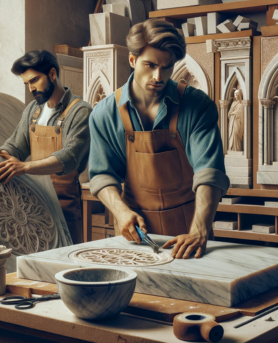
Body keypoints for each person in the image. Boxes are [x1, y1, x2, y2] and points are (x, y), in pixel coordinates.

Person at [88, 19, 230, 259]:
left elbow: (209, 171)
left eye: (167, 67)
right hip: (133, 233)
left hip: (189, 233)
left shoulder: (197, 106)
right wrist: (120, 212)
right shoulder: (104, 113)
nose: (158, 76)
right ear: (133, 61)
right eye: (150, 65)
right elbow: (102, 174)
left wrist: (200, 228)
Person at [0, 50, 92, 245]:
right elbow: (16, 145)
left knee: (67, 261)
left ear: (52, 74)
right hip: (34, 202)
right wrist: (0, 153)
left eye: (34, 80)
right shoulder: (32, 110)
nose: (31, 89)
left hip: (65, 203)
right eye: (27, 84)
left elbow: (69, 156)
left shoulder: (80, 111)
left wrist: (25, 167)